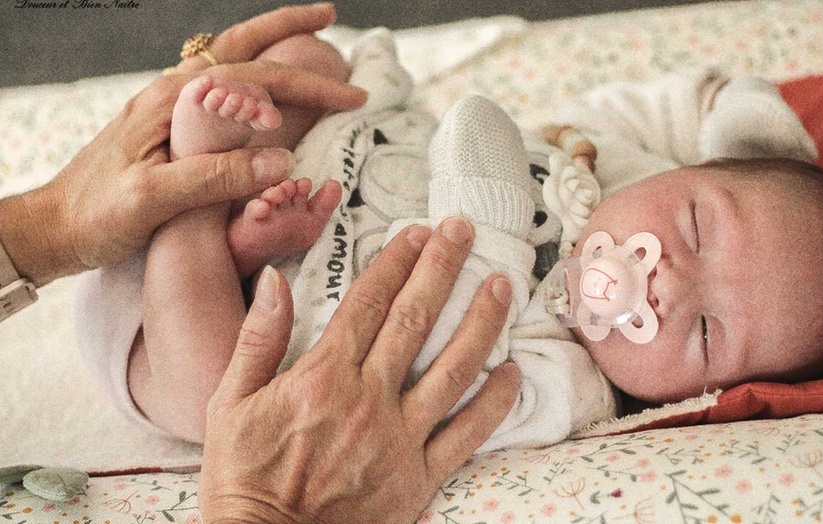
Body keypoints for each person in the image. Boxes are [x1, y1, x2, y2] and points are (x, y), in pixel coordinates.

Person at [77, 23, 823, 456]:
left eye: (704, 331)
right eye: (695, 226)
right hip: (327, 165)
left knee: (210, 399)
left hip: (223, 324)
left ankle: (193, 208)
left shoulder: (567, 388)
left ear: (700, 394)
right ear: (695, 169)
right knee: (316, 64)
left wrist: (489, 232)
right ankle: (224, 191)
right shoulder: (631, 160)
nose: (667, 284)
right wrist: (760, 140)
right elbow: (701, 96)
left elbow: (438, 404)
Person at [2, 4, 523, 524]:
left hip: (144, 298)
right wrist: (259, 509)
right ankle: (204, 208)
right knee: (218, 393)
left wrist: (40, 229)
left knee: (305, 61)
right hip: (180, 330)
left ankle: (205, 202)